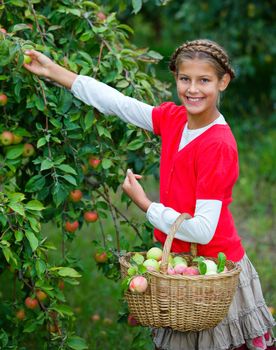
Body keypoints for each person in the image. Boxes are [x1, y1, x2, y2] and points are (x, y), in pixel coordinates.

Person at [23, 39, 275, 350]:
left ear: (223, 82)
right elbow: (119, 103)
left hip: (213, 271)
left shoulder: (217, 146)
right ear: (175, 78)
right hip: (178, 266)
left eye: (204, 80)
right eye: (185, 79)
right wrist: (56, 72)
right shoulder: (174, 119)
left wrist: (145, 204)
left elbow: (203, 230)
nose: (193, 89)